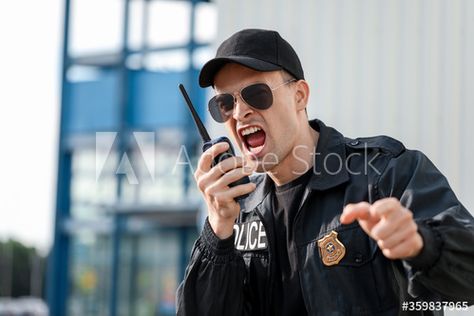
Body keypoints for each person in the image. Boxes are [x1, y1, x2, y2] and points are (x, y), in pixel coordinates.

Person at [176, 28, 474, 316]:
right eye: (225, 103)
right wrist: (217, 234)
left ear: (300, 96)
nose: (239, 113)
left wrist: (423, 245)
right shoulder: (237, 211)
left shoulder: (386, 174)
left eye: (256, 93)